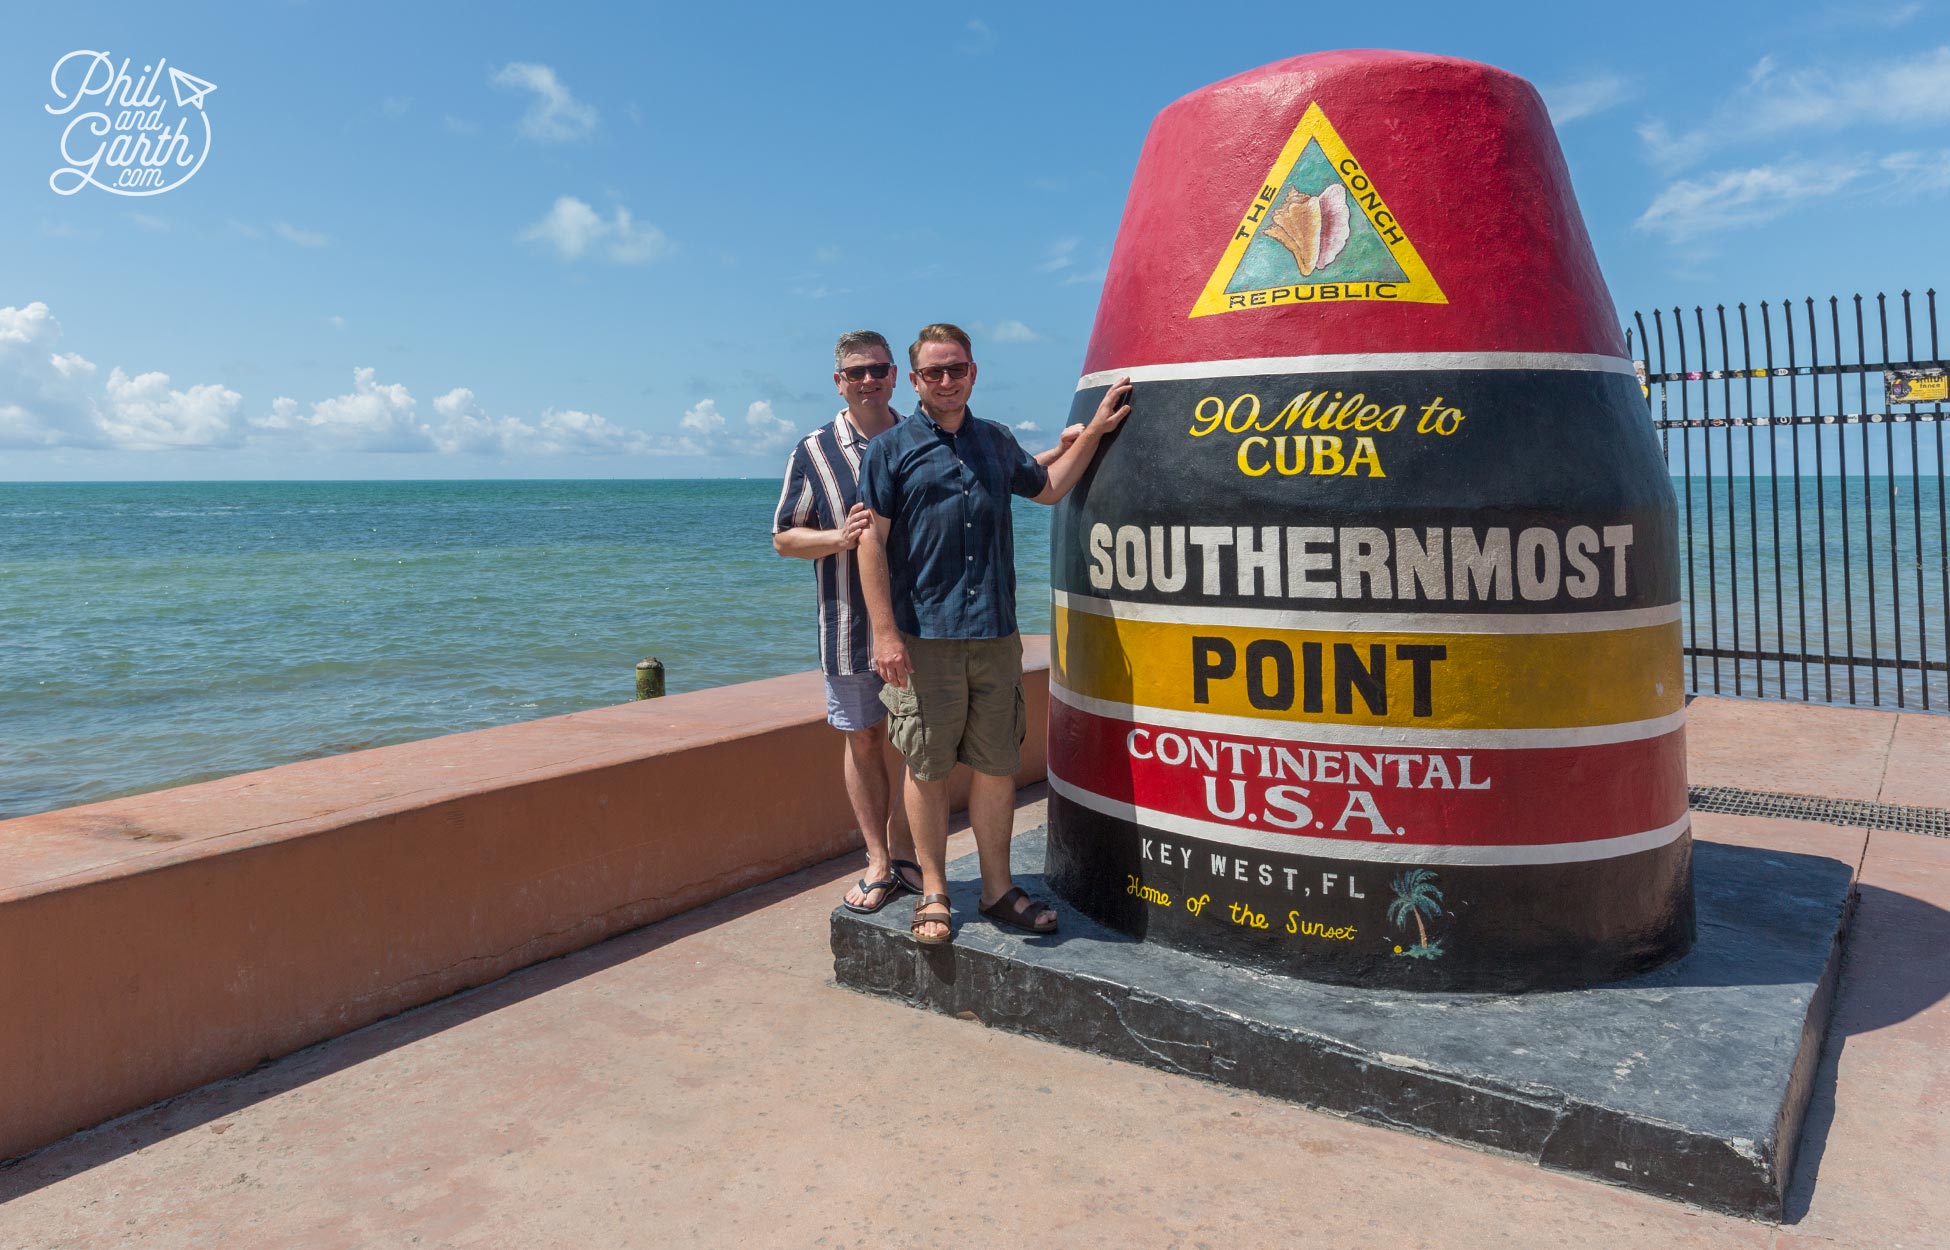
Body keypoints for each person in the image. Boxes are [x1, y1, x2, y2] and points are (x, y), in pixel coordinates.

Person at [774, 329, 1082, 916]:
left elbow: (977, 481)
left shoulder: (957, 438)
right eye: (855, 372)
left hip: (947, 625)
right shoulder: (820, 449)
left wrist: (1070, 445)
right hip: (856, 622)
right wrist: (845, 539)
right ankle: (881, 864)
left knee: (946, 755)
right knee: (871, 740)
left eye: (878, 369)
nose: (868, 379)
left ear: (896, 376)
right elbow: (785, 535)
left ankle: (928, 868)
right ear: (839, 381)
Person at [857, 323, 1132, 944]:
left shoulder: (994, 442)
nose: (947, 381)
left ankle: (997, 889)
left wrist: (1093, 433)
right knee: (927, 768)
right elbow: (869, 542)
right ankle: (932, 889)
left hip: (994, 635)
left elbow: (1051, 488)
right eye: (934, 372)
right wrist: (885, 635)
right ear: (917, 380)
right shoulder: (891, 450)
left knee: (996, 765)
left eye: (956, 369)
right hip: (924, 639)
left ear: (973, 372)